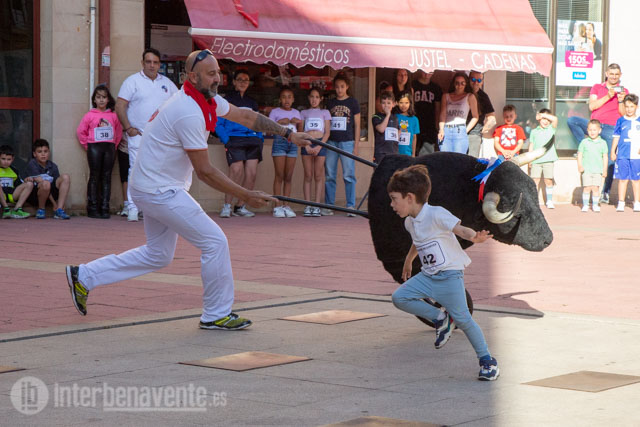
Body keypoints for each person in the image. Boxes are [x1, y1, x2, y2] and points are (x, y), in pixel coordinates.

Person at [65, 49, 312, 330]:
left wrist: (288, 134)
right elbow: (205, 171)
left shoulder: (204, 99)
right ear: (193, 77)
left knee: (158, 254)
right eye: (211, 73)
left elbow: (244, 116)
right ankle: (216, 314)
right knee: (214, 242)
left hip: (152, 186)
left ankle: (84, 275)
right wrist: (246, 195)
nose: (217, 78)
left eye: (218, 73)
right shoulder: (188, 112)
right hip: (159, 190)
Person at [387, 164, 499, 381]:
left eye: (394, 199)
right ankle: (441, 318)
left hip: (449, 276)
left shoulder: (436, 213)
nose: (392, 204)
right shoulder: (410, 222)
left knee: (464, 319)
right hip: (428, 276)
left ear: (409, 197)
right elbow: (418, 241)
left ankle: (487, 361)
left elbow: (460, 229)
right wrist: (409, 260)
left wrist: (474, 237)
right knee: (399, 297)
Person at [115, 47, 178, 222]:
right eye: (148, 62)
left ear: (159, 64)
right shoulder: (132, 81)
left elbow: (179, 105)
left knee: (157, 173)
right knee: (135, 171)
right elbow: (120, 106)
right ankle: (133, 208)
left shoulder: (167, 84)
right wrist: (128, 128)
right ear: (142, 63)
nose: (152, 65)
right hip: (138, 135)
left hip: (161, 138)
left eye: (155, 62)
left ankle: (150, 209)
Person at [567, 63, 628, 204]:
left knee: (611, 161)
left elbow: (623, 113)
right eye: (611, 74)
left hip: (612, 128)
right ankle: (585, 146)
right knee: (572, 121)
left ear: (620, 75)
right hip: (595, 125)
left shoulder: (624, 90)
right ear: (606, 74)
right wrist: (608, 96)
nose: (614, 76)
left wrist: (620, 101)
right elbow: (592, 106)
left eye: (616, 74)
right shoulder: (597, 87)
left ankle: (605, 192)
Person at [217, 70, 263, 218]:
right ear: (234, 82)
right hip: (234, 139)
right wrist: (226, 140)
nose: (243, 82)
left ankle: (240, 206)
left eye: (246, 80)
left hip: (252, 140)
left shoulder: (252, 102)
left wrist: (259, 138)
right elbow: (218, 122)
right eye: (240, 79)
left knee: (251, 174)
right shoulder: (226, 100)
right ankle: (227, 206)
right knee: (235, 171)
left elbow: (258, 122)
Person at [76, 84, 123, 218]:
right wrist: (88, 145)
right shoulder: (89, 115)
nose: (101, 100)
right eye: (98, 97)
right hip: (94, 147)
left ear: (108, 99)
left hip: (109, 148)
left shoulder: (113, 116)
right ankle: (92, 207)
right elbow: (81, 131)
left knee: (106, 177)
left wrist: (114, 145)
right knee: (94, 176)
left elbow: (118, 132)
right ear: (94, 100)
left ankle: (104, 207)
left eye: (104, 97)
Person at [325, 72, 361, 216]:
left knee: (349, 175)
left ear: (347, 87)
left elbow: (357, 125)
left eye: (342, 86)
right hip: (331, 142)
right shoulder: (330, 103)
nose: (339, 89)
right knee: (329, 174)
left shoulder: (353, 102)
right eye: (337, 87)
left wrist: (356, 145)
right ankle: (329, 205)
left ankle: (350, 206)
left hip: (347, 142)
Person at [269, 86, 302, 218]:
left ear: (293, 99)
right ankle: (277, 206)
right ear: (280, 99)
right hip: (279, 143)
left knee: (288, 177)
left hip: (292, 144)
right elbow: (269, 129)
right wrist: (279, 122)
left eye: (289, 97)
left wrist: (298, 122)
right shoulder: (275, 112)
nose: (286, 100)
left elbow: (301, 131)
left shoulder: (296, 112)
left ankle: (286, 205)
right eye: (284, 97)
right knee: (279, 175)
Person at [299, 87, 331, 217]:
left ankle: (317, 205)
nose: (314, 99)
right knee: (308, 175)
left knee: (318, 176)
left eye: (317, 97)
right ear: (308, 98)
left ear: (321, 99)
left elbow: (327, 132)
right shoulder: (303, 113)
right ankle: (307, 205)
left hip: (320, 143)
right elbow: (300, 131)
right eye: (312, 97)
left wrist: (319, 146)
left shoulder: (325, 112)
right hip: (306, 142)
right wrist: (305, 145)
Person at [25, 139, 71, 219]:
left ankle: (59, 210)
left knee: (65, 177)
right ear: (34, 154)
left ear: (49, 152)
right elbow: (43, 184)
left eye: (45, 151)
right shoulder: (32, 164)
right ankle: (41, 209)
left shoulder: (53, 166)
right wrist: (54, 204)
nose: (43, 154)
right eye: (40, 152)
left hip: (50, 195)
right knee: (45, 183)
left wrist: (58, 203)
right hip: (36, 196)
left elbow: (58, 186)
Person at [611, 94, 640, 212]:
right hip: (623, 154)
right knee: (622, 179)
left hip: (636, 156)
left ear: (636, 107)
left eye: (631, 106)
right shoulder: (620, 121)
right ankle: (621, 202)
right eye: (627, 106)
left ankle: (637, 202)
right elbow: (616, 137)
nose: (629, 109)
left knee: (636, 180)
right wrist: (613, 151)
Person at [438, 72, 478, 154]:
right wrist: (441, 129)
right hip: (446, 129)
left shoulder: (470, 96)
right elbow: (443, 114)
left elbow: (475, 117)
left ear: (466, 84)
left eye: (462, 83)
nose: (459, 86)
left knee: (458, 158)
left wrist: (465, 130)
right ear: (454, 84)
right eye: (457, 83)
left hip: (460, 129)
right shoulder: (446, 96)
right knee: (444, 157)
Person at [528, 109, 559, 209]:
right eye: (543, 119)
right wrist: (529, 159)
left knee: (548, 180)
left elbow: (555, 119)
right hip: (536, 160)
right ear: (539, 119)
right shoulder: (534, 131)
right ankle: (534, 201)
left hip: (548, 160)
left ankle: (549, 200)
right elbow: (531, 145)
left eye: (547, 119)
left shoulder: (551, 129)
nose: (546, 121)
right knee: (535, 181)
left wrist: (542, 115)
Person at [577, 119, 608, 212]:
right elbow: (580, 154)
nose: (592, 132)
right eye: (590, 130)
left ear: (599, 130)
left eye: (594, 130)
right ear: (587, 130)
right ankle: (585, 205)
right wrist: (580, 165)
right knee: (587, 188)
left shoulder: (603, 143)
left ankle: (595, 205)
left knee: (595, 188)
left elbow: (605, 157)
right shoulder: (584, 142)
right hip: (586, 170)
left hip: (598, 170)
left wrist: (605, 170)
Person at [412, 70, 442, 155]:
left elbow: (437, 109)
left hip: (429, 126)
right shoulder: (413, 85)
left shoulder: (436, 88)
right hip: (416, 122)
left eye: (430, 71)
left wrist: (437, 127)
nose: (426, 74)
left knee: (427, 153)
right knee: (413, 151)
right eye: (424, 71)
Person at [467, 70, 496, 158]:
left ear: (482, 82)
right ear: (468, 79)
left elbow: (492, 119)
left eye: (479, 80)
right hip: (459, 132)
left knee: (471, 161)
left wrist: (482, 130)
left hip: (474, 134)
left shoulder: (483, 96)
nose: (476, 83)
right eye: (473, 79)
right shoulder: (463, 92)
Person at [0, 144, 34, 218]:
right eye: (3, 159)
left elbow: (19, 184)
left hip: (11, 195)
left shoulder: (14, 170)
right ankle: (6, 209)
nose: (6, 161)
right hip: (1, 196)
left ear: (13, 159)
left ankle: (17, 209)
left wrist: (26, 180)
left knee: (29, 184)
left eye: (9, 159)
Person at [372, 91, 399, 163]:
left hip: (394, 152)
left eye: (388, 103)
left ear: (393, 104)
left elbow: (398, 131)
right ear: (380, 104)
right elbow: (381, 129)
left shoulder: (395, 118)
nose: (386, 105)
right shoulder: (376, 116)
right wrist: (387, 115)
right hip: (381, 153)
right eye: (383, 103)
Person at [395, 91, 420, 157]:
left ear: (410, 103)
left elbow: (414, 137)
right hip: (395, 153)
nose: (404, 105)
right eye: (401, 102)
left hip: (408, 154)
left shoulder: (414, 119)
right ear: (397, 103)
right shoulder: (394, 117)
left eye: (406, 103)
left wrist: (413, 154)